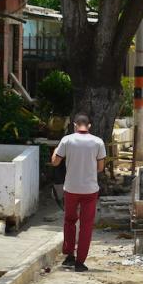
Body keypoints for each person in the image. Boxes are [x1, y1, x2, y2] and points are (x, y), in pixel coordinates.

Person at [51, 114, 106, 272]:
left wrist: (56, 151)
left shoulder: (67, 140)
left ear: (75, 125)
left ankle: (69, 256)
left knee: (69, 221)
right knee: (86, 226)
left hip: (71, 188)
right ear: (89, 126)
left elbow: (55, 162)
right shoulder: (98, 142)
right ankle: (80, 262)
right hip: (90, 189)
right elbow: (100, 167)